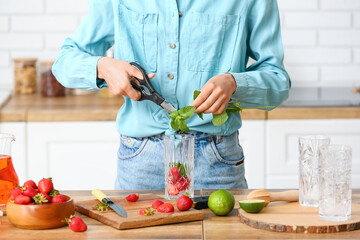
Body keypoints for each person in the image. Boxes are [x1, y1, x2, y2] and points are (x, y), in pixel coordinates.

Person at [52, 0, 290, 190]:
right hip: (140, 161)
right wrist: (103, 66)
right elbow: (64, 63)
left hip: (217, 160)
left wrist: (235, 83)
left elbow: (278, 81)